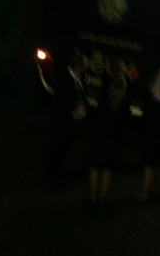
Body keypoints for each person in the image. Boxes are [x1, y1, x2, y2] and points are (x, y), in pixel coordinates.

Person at [87, 58, 131, 205]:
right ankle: (102, 198)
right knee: (107, 169)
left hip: (99, 134)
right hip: (114, 137)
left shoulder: (103, 96)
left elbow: (95, 112)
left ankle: (93, 197)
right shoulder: (125, 101)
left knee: (95, 166)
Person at [44, 53, 90, 186]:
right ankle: (52, 175)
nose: (86, 69)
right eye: (85, 66)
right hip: (62, 121)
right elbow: (60, 101)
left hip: (70, 121)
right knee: (57, 147)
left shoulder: (78, 79)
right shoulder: (65, 79)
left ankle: (58, 171)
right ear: (79, 66)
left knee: (64, 148)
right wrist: (75, 105)